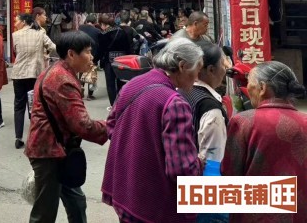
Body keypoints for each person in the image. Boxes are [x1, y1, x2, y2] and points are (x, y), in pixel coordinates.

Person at [102, 38, 205, 223]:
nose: (197, 78)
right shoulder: (175, 103)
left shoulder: (132, 84)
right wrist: (198, 163)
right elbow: (181, 170)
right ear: (182, 66)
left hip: (125, 192)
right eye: (197, 70)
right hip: (153, 205)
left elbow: (111, 127)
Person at [25, 31, 107, 223]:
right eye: (87, 52)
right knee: (44, 213)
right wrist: (111, 126)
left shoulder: (57, 71)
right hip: (49, 153)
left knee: (76, 202)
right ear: (71, 54)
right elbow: (82, 125)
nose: (92, 57)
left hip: (59, 150)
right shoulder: (63, 80)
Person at [220, 61, 307, 223]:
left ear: (262, 88)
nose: (247, 88)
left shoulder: (244, 122)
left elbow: (230, 173)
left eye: (249, 83)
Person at [12, 13, 55, 149]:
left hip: (19, 74)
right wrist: (45, 55)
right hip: (35, 74)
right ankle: (35, 136)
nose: (15, 24)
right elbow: (53, 47)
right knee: (35, 105)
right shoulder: (40, 34)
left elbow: (15, 52)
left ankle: (18, 138)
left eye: (17, 21)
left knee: (19, 106)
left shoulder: (15, 35)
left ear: (24, 22)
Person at [181, 43, 228, 163]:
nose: (225, 69)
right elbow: (213, 159)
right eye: (223, 64)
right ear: (211, 69)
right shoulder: (211, 110)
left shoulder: (180, 91)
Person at [97, 12, 136, 107]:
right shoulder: (122, 32)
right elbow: (128, 47)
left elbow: (101, 51)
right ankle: (122, 103)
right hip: (122, 60)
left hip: (109, 62)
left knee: (110, 84)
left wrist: (95, 60)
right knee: (121, 82)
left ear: (103, 24)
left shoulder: (103, 35)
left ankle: (113, 106)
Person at [78, 14, 101, 100]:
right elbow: (98, 45)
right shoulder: (97, 31)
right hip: (92, 55)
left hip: (81, 54)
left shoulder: (80, 28)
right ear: (95, 22)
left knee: (81, 73)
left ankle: (80, 91)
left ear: (86, 21)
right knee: (92, 74)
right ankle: (90, 95)